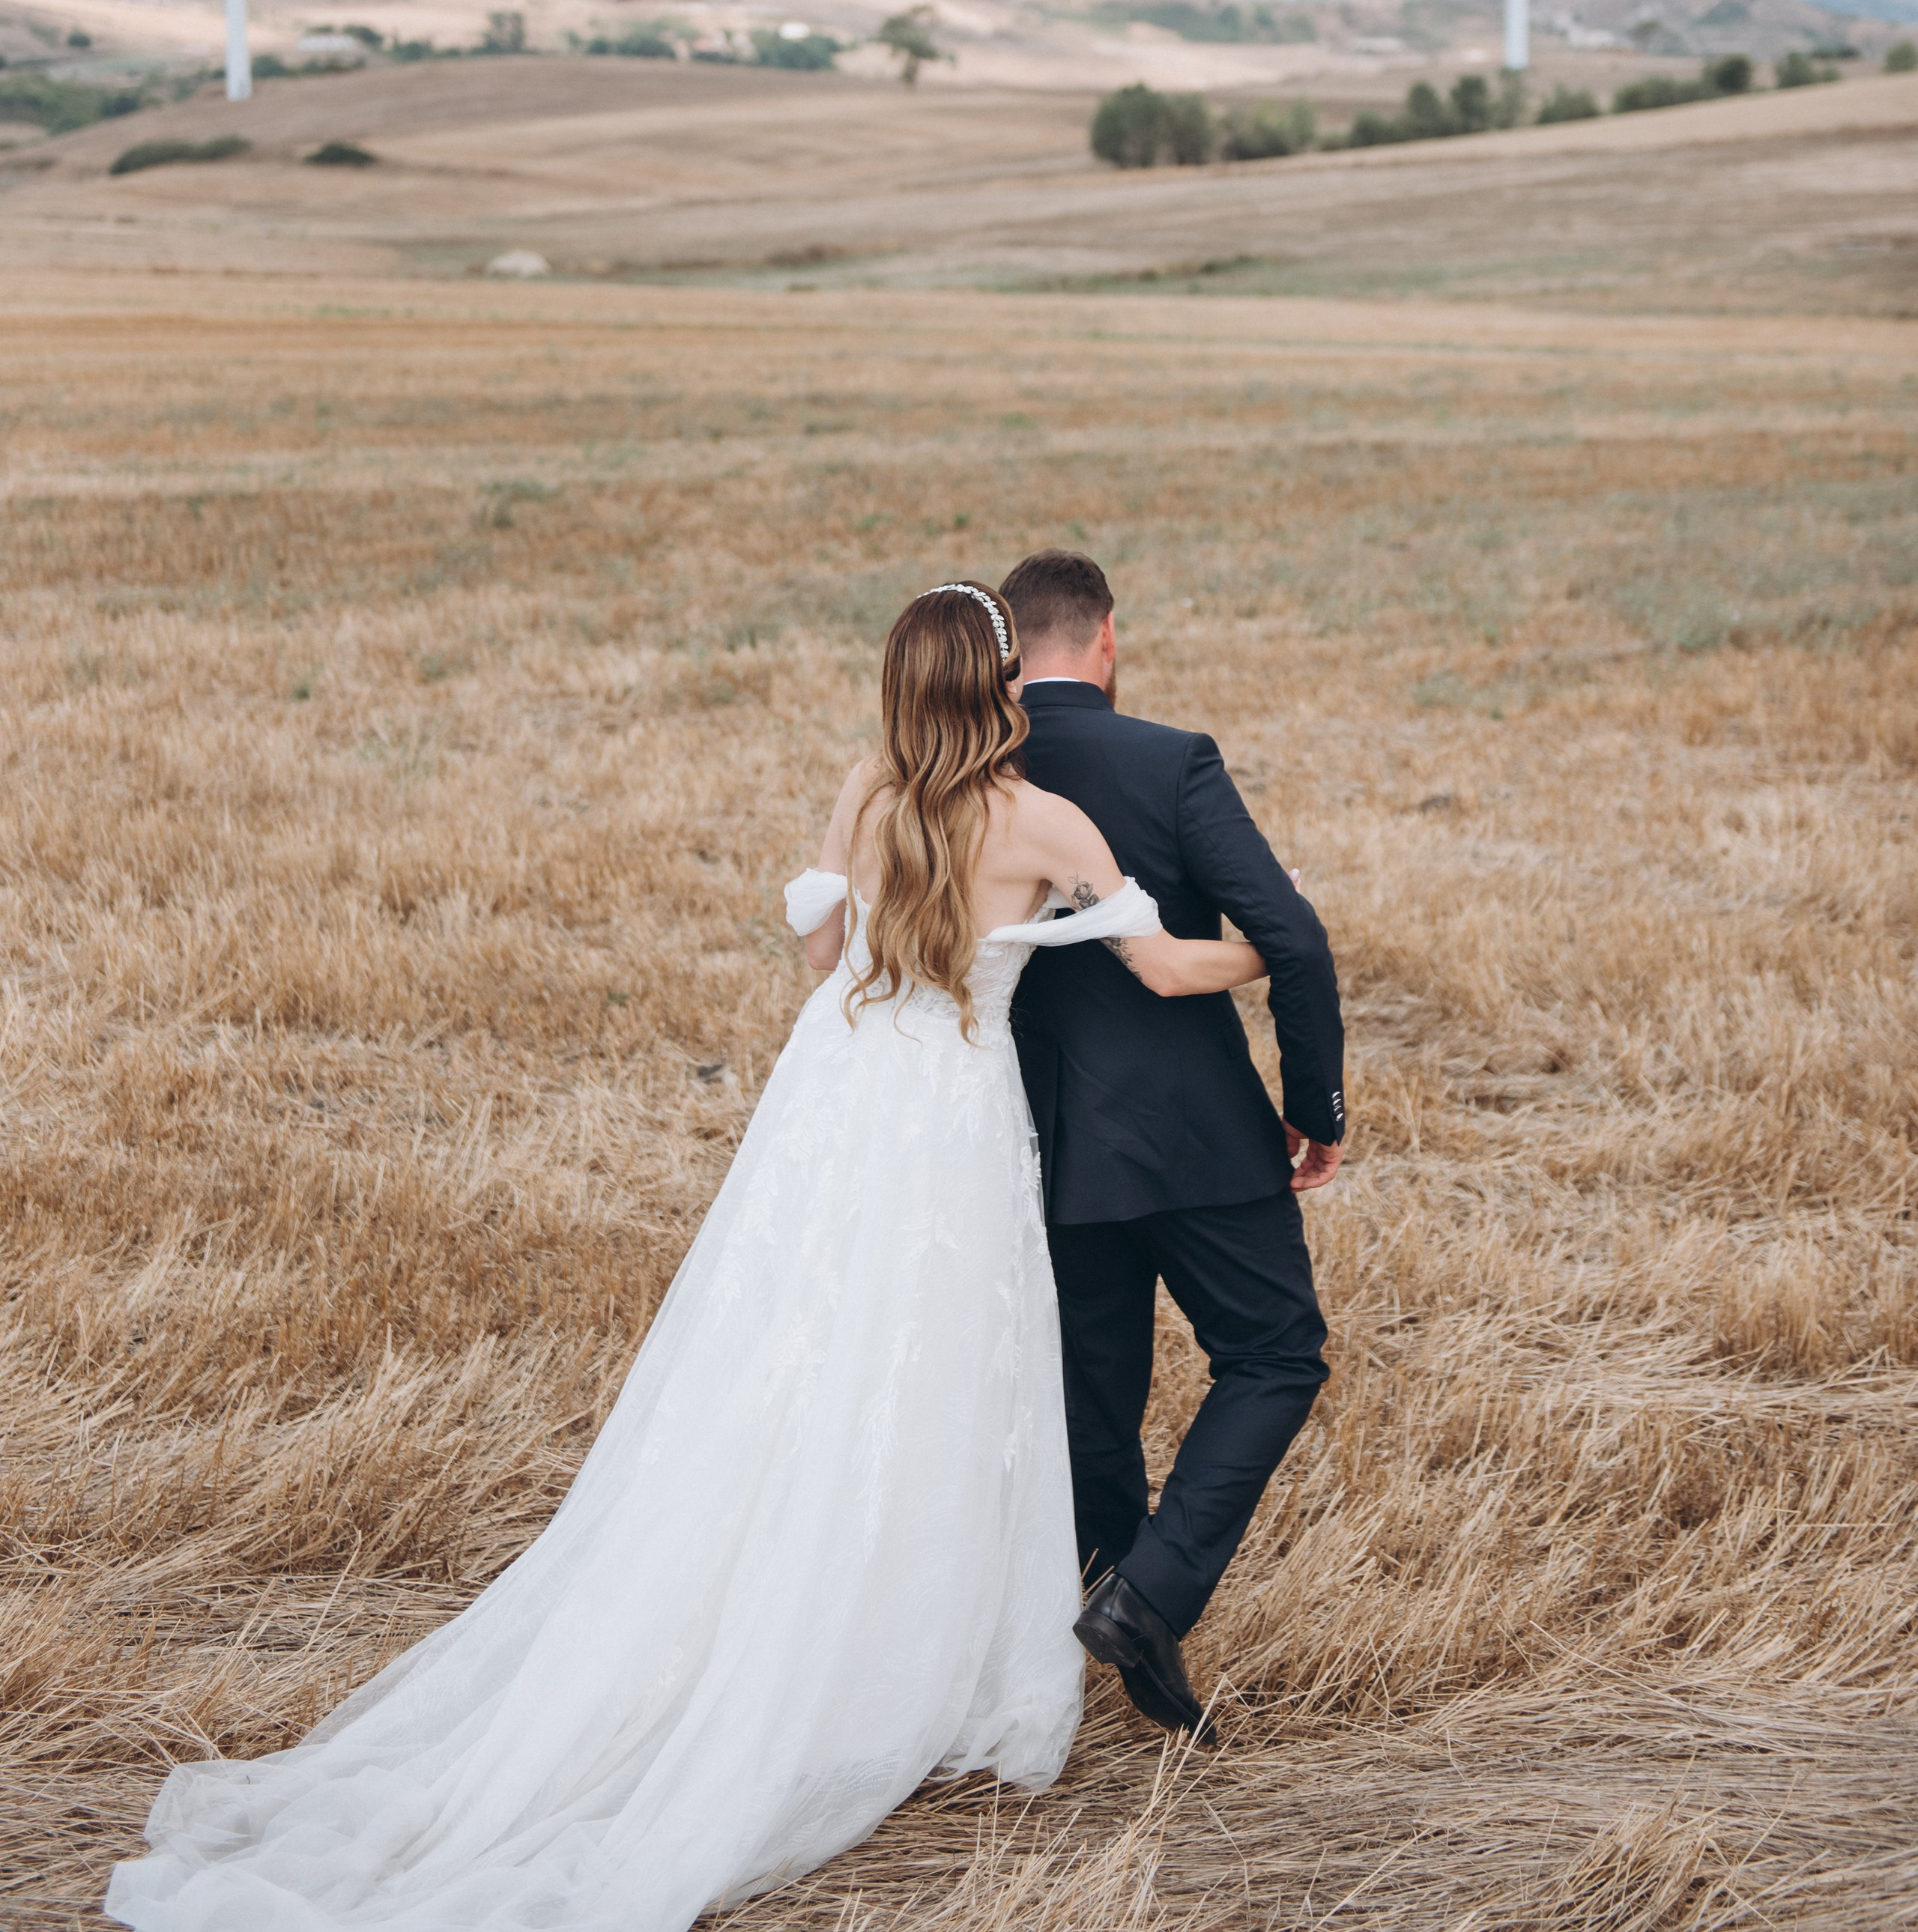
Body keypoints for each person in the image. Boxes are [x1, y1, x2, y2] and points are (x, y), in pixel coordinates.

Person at [106, 583, 1266, 1932]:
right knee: (941, 1376)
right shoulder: (1043, 822)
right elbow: (1170, 972)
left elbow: (831, 953)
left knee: (786, 1349)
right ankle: (903, 1662)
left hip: (836, 1096)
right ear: (1006, 690)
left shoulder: (866, 795)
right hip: (951, 1108)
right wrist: (1274, 934)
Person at [1001, 549, 1345, 1744]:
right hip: (1195, 1135)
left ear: (1006, 645)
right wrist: (1317, 1109)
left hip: (1042, 1139)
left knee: (1094, 1400)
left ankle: (1112, 1618)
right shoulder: (1169, 758)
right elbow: (1292, 944)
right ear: (1106, 639)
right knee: (1276, 1354)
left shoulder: (961, 772)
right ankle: (1148, 1600)